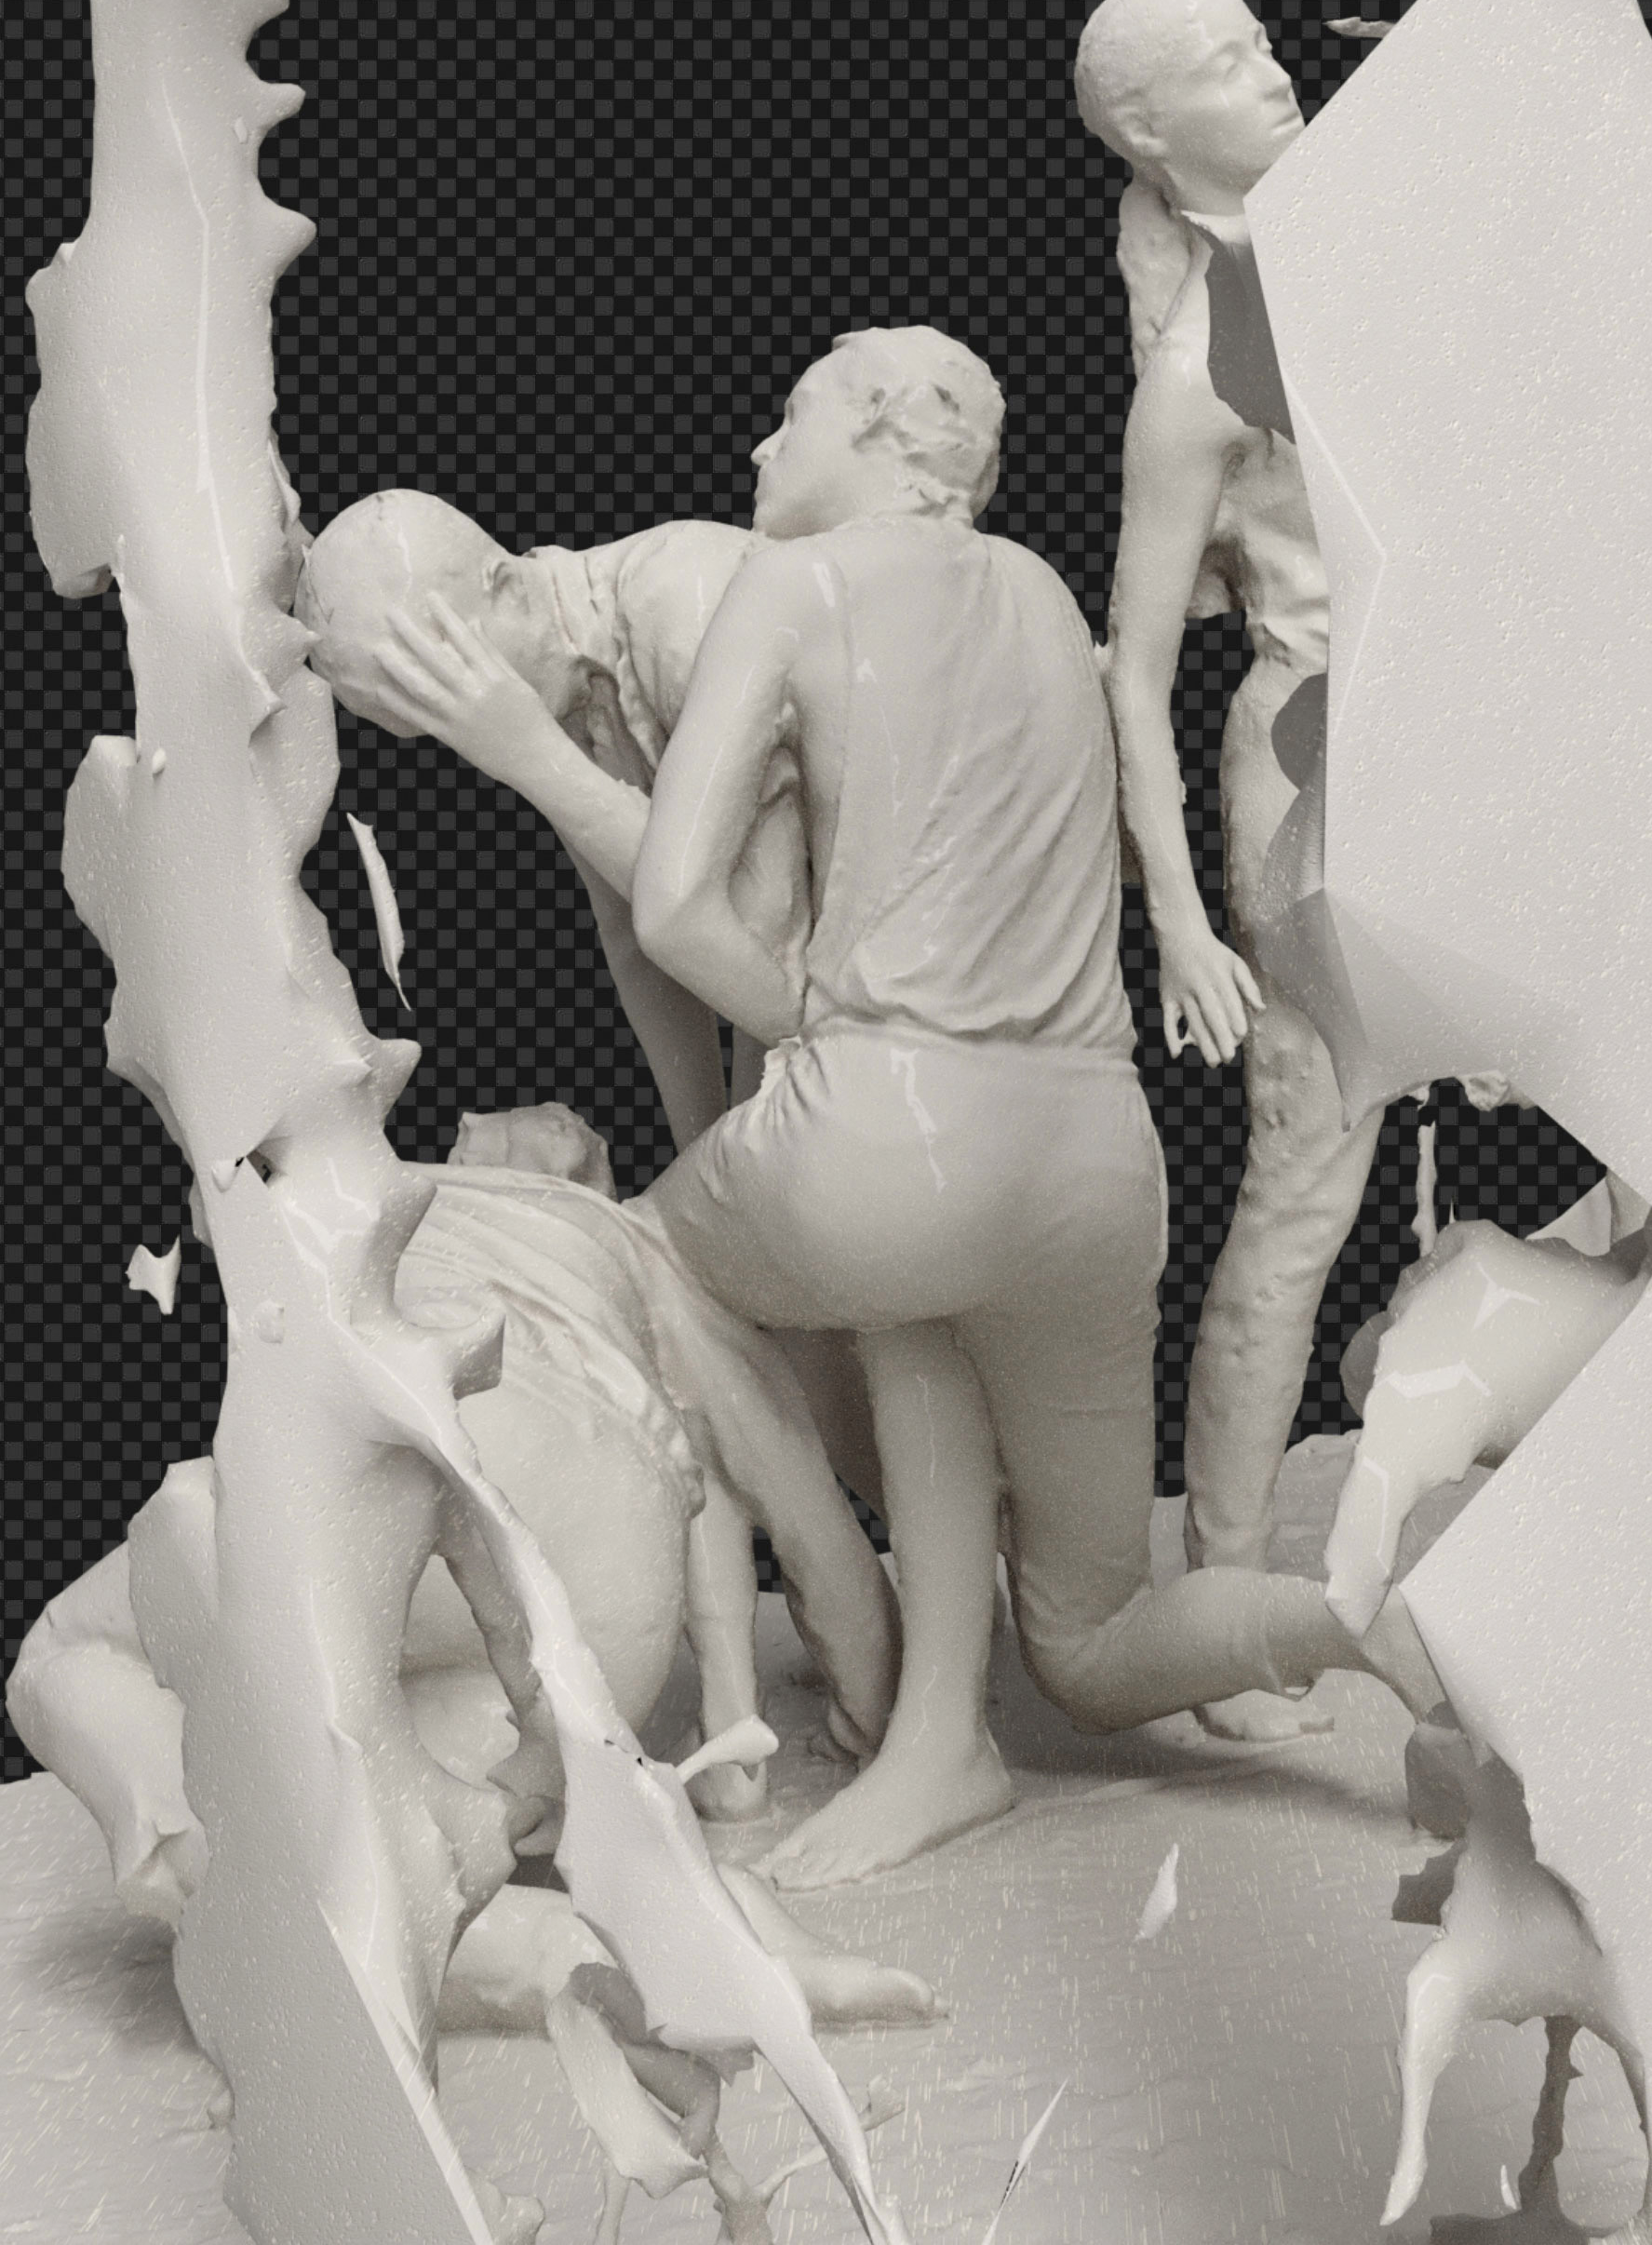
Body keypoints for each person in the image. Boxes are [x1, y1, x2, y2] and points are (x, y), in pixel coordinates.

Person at [379, 326, 1437, 1886]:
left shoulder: (787, 586)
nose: (761, 451)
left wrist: (820, 1029)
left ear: (880, 432)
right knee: (1091, 1638)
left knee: (625, 1257)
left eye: (792, 414)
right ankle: (1358, 1624)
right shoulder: (1051, 597)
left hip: (886, 1145)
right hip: (1098, 1175)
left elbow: (672, 909)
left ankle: (857, 1632)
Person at [296, 492, 894, 1807]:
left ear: (508, 589)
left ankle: (915, 1678)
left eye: (444, 691)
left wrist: (524, 752)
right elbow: (638, 939)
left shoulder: (691, 604)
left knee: (838, 1337)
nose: (446, 736)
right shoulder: (560, 691)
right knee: (757, 1321)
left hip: (914, 1022)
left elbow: (749, 959)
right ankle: (880, 1658)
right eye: (417, 724)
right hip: (824, 1032)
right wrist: (701, 1155)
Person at [1076, 0, 1389, 1738]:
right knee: (1305, 1178)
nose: (1272, 73)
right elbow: (1133, 667)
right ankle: (1226, 1601)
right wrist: (1182, 925)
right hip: (1320, 763)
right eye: (1225, 64)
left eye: (1268, 43)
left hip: (1472, 743)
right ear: (1147, 132)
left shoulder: (1384, 248)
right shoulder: (1202, 365)